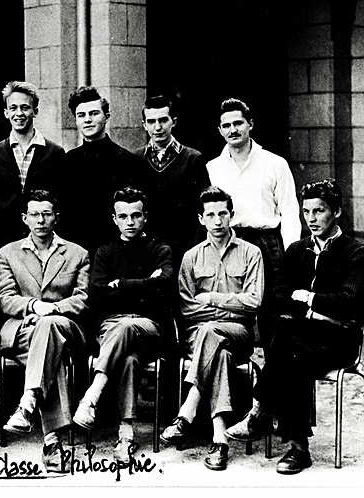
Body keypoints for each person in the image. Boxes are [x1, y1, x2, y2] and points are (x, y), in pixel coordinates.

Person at [225, 179, 364, 475]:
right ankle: (298, 448)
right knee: (292, 350)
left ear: (337, 212)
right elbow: (278, 299)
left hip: (339, 342)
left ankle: (261, 413)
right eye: (306, 212)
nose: (311, 219)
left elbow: (349, 303)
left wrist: (307, 297)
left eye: (319, 211)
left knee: (287, 338)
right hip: (304, 339)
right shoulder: (296, 250)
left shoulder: (355, 252)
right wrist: (319, 312)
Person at [160, 186, 263, 471]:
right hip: (199, 336)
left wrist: (213, 299)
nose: (217, 221)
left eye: (223, 214)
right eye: (211, 215)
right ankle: (220, 440)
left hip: (239, 334)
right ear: (201, 219)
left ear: (232, 215)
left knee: (211, 332)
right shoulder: (191, 257)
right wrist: (231, 306)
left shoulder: (251, 253)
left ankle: (188, 409)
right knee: (218, 351)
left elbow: (253, 302)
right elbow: (186, 307)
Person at [72, 187, 174, 463]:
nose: (130, 222)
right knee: (128, 359)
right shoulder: (105, 252)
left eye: (136, 215)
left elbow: (163, 286)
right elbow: (97, 293)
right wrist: (144, 286)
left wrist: (121, 285)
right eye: (123, 216)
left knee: (127, 326)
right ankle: (126, 433)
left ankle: (91, 396)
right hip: (112, 327)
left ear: (145, 217)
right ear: (114, 219)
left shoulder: (160, 249)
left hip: (149, 328)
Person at [0, 189, 90, 473]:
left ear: (56, 218)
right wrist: (35, 306)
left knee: (50, 330)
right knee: (53, 354)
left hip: (64, 326)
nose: (40, 220)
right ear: (24, 218)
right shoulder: (8, 253)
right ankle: (52, 442)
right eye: (34, 214)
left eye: (46, 214)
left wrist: (53, 310)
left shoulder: (77, 253)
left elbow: (83, 298)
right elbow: (6, 298)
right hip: (23, 328)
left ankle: (28, 404)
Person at [206, 98, 300, 354]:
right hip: (230, 243)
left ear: (250, 124)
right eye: (226, 125)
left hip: (267, 242)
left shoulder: (275, 163)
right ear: (219, 130)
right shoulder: (212, 168)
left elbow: (289, 211)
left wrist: (291, 255)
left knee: (273, 310)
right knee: (233, 309)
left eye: (238, 123)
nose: (233, 130)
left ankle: (275, 374)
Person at [0, 81, 66, 250]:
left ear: (35, 111)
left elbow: (61, 200)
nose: (19, 113)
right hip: (3, 241)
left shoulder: (54, 153)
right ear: (6, 113)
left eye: (25, 107)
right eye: (13, 108)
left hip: (43, 241)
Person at [58, 86, 136, 256]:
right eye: (81, 115)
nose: (87, 120)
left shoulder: (125, 160)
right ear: (75, 120)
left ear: (106, 117)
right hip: (76, 253)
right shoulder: (67, 161)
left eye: (94, 114)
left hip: (115, 253)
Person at [130, 96, 210, 261]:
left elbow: (204, 208)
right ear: (144, 125)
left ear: (174, 121)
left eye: (163, 120)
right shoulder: (135, 159)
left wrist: (195, 249)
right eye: (151, 121)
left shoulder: (193, 158)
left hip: (185, 247)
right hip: (147, 249)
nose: (157, 127)